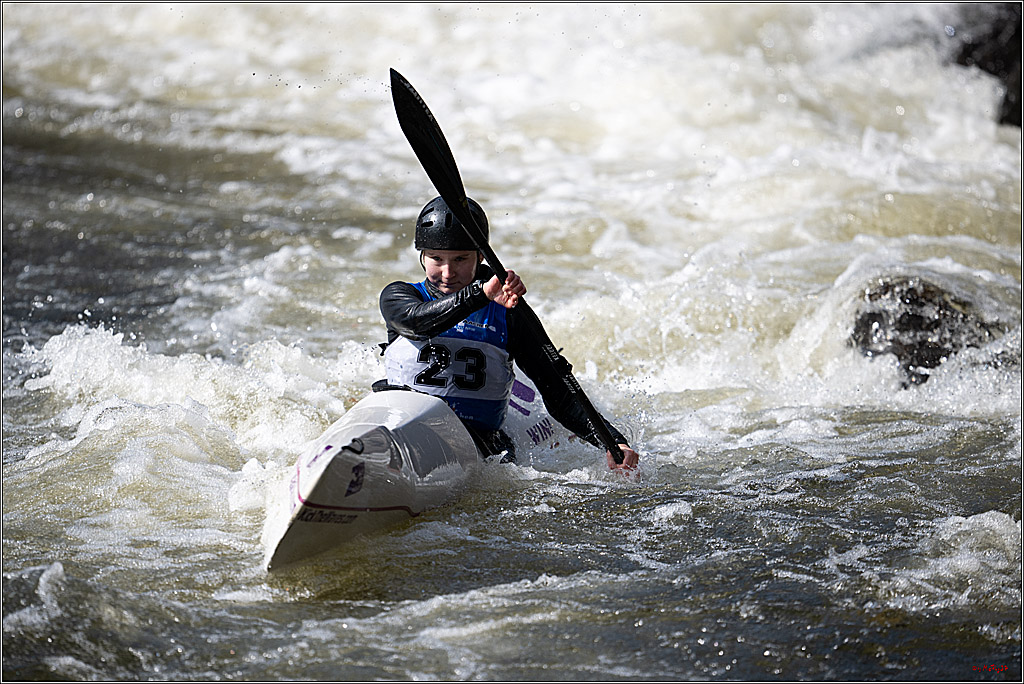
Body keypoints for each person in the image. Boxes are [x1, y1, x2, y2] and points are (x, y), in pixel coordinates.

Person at [377, 196, 640, 472]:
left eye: (460, 259)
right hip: (403, 423)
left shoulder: (508, 311)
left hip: (476, 442)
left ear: (480, 256)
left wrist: (614, 442)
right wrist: (481, 293)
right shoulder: (400, 296)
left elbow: (559, 393)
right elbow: (417, 322)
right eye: (436, 258)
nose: (447, 272)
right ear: (422, 256)